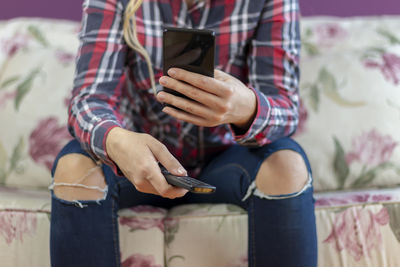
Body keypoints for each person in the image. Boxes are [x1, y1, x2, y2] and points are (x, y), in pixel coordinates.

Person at [49, 0, 318, 266]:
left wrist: (246, 107)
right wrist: (116, 140)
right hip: (136, 159)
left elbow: (286, 107)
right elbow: (89, 100)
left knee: (287, 166)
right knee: (74, 168)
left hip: (226, 159)